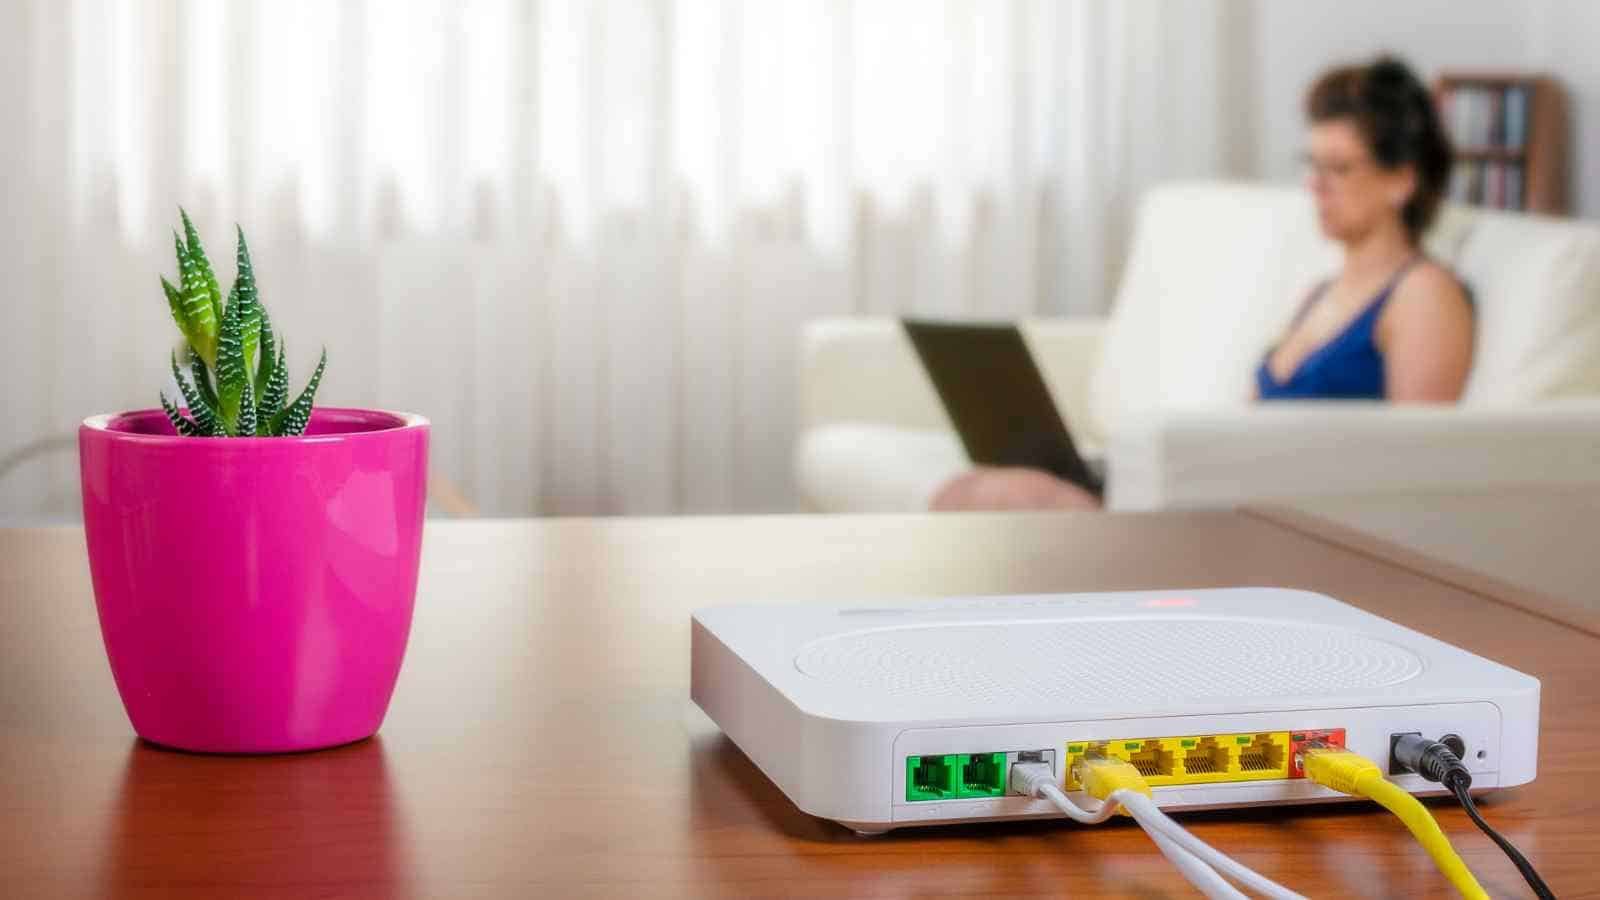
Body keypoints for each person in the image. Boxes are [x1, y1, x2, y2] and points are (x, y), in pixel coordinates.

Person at [933, 55, 1472, 512]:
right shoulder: (1320, 294)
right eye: (1313, 166)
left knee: (1003, 496)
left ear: (1402, 180)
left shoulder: (1423, 294)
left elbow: (1416, 472)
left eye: (1340, 169)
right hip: (1228, 495)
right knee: (971, 488)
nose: (1316, 186)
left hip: (1287, 518)